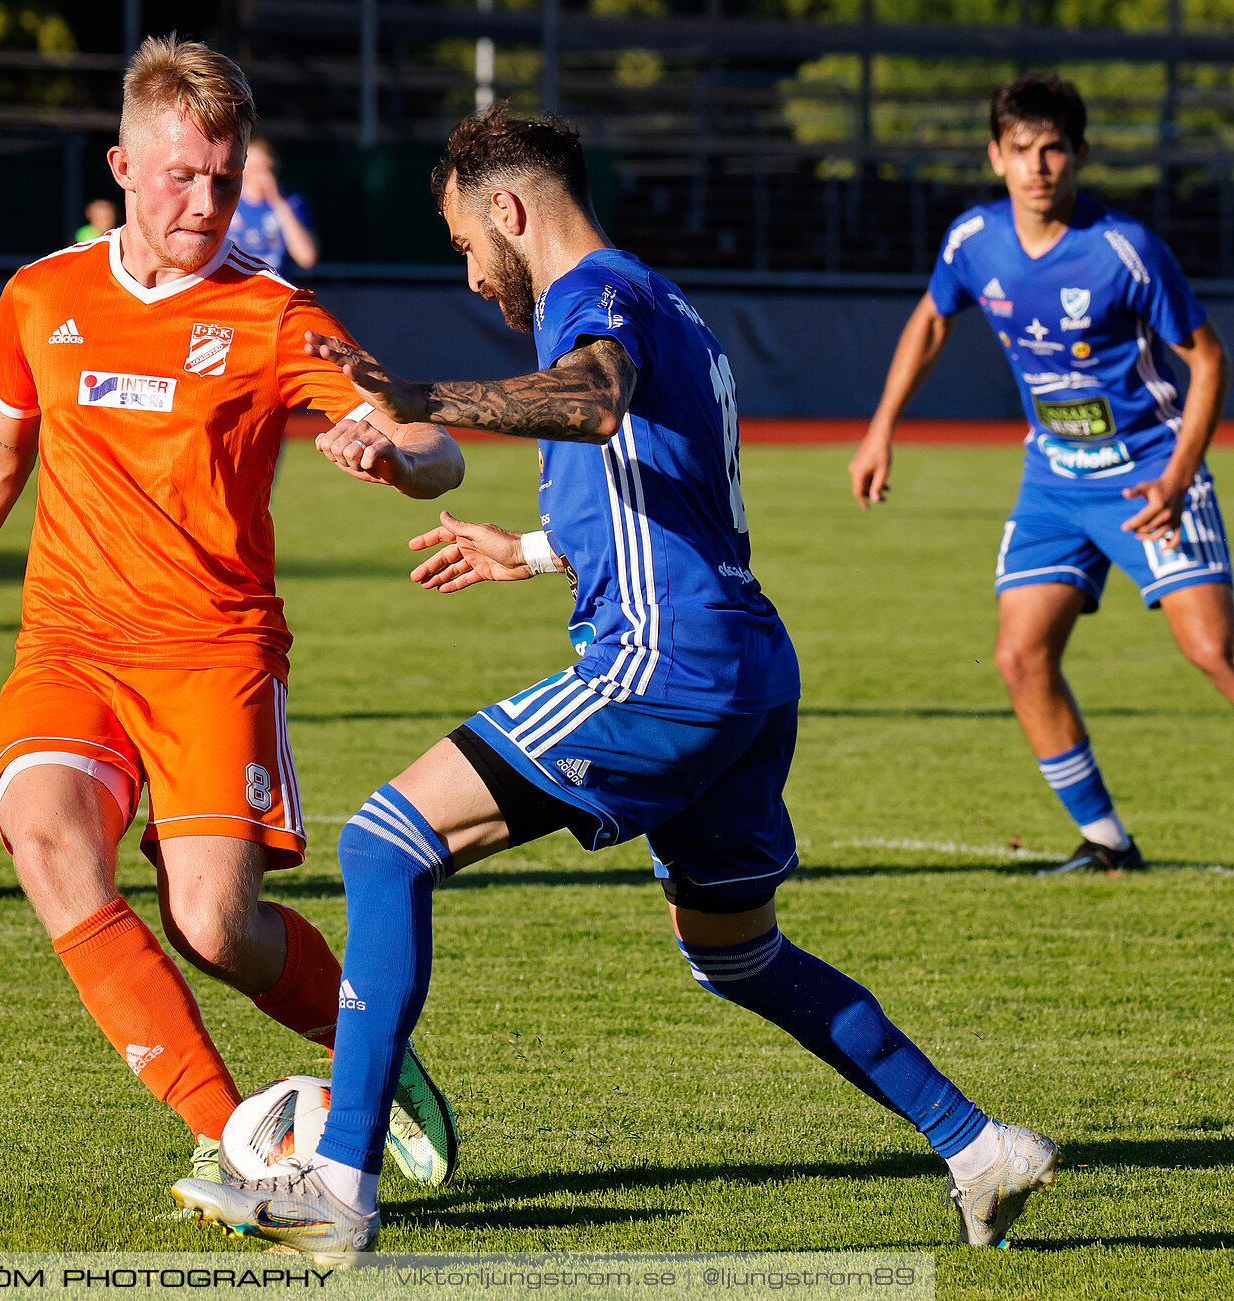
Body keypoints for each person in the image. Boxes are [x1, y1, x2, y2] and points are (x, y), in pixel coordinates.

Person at [172, 104, 1058, 1262]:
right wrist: (535, 550)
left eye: (463, 244)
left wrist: (419, 396)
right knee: (738, 952)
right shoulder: (661, 299)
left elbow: (590, 403)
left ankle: (336, 1182)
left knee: (385, 842)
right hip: (745, 662)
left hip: (666, 662)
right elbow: (661, 482)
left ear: (508, 209)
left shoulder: (589, 294)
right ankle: (978, 1143)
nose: (472, 274)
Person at [0, 37, 462, 1188]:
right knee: (48, 839)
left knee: (216, 924)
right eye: (182, 175)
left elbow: (436, 443)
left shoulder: (276, 315)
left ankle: (364, 1046)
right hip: (71, 643)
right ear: (122, 164)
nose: (206, 201)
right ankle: (232, 1134)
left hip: (212, 652)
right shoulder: (41, 295)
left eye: (224, 179)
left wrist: (395, 457)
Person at [849, 76, 1231, 875]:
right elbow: (929, 319)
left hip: (1149, 474)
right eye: (1021, 149)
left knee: (1213, 651)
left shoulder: (1126, 249)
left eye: (1054, 148)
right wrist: (882, 430)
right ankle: (1105, 840)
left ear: (1081, 154)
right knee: (1020, 657)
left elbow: (1207, 360)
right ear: (996, 156)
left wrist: (1181, 472)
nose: (1038, 166)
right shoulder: (972, 241)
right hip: (1054, 481)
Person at [227, 137, 318, 274]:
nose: (262, 175)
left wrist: (277, 201)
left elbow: (306, 258)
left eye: (267, 168)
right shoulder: (228, 201)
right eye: (255, 168)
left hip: (276, 287)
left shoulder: (292, 203)